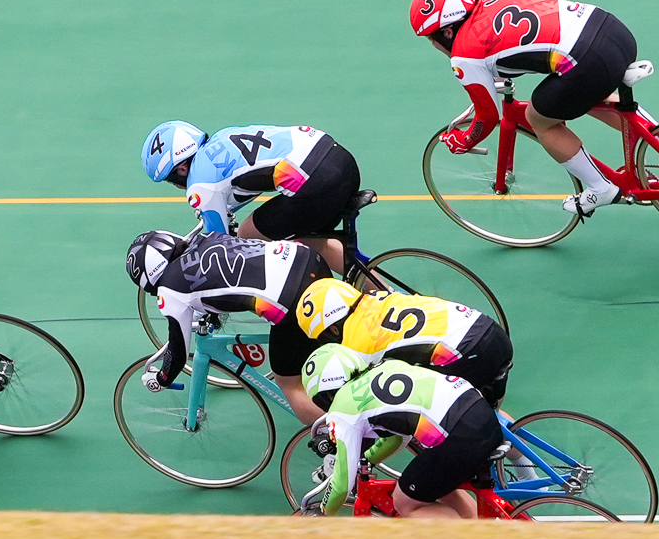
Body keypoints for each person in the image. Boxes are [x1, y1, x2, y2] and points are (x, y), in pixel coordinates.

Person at [412, 0, 644, 218]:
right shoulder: (490, 6)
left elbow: (488, 117)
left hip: (589, 59)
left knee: (538, 118)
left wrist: (465, 140)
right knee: (585, 93)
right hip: (611, 30)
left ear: (448, 32)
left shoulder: (464, 55)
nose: (435, 45)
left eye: (432, 39)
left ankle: (600, 188)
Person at [126, 228, 335, 423]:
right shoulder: (205, 237)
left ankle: (348, 437)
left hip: (292, 299)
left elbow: (178, 351)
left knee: (290, 385)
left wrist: (161, 379)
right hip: (307, 259)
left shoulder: (169, 290)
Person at [297, 345, 505, 520]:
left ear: (324, 396)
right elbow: (397, 437)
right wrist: (368, 458)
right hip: (478, 409)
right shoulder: (387, 366)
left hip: (458, 436)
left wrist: (323, 513)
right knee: (440, 488)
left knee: (405, 502)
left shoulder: (342, 408)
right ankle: (478, 529)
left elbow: (342, 484)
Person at [140, 121, 361, 273]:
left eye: (172, 181)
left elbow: (220, 245)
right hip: (338, 158)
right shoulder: (223, 137)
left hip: (315, 181)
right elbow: (248, 183)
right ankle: (382, 293)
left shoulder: (199, 182)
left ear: (181, 169)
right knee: (309, 242)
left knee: (247, 235)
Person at [294, 278, 512, 406]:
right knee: (492, 422)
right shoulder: (375, 297)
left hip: (466, 353)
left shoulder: (355, 345)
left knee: (438, 427)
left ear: (333, 329)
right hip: (488, 329)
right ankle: (524, 467)